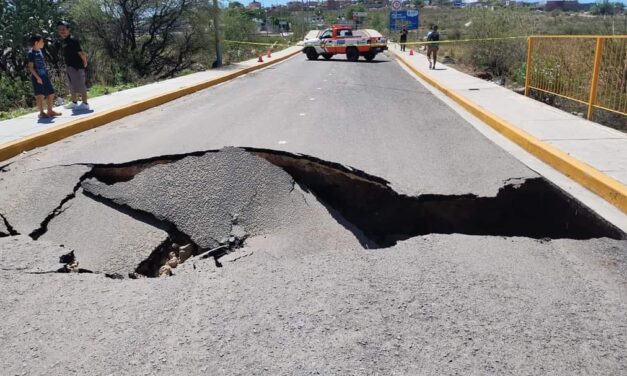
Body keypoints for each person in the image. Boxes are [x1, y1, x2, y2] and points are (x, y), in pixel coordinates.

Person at [57, 21, 89, 110]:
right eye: (60, 29)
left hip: (77, 66)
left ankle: (85, 103)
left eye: (63, 29)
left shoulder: (73, 40)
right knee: (71, 85)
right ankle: (74, 102)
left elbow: (81, 53)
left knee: (81, 85)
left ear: (68, 30)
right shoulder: (64, 41)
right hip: (69, 66)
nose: (62, 31)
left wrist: (85, 62)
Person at [27, 35, 61, 119]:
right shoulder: (31, 53)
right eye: (41, 41)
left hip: (44, 75)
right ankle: (41, 113)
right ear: (36, 43)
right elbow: (30, 67)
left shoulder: (40, 51)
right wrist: (38, 78)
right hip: (37, 76)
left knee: (51, 93)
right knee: (40, 95)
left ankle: (50, 111)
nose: (43, 43)